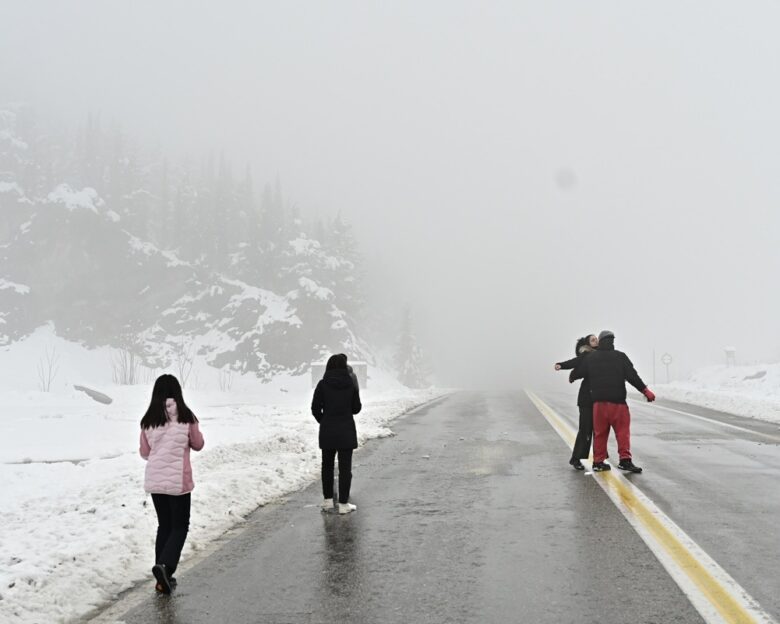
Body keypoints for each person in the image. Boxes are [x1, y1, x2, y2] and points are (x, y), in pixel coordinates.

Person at [139, 374, 205, 594]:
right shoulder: (186, 417)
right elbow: (198, 444)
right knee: (180, 526)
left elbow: (145, 452)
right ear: (177, 393)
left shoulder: (148, 419)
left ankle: (162, 576)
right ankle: (166, 567)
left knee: (164, 526)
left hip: (155, 481)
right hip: (178, 481)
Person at [571, 330, 655, 473]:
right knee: (622, 433)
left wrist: (572, 375)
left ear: (600, 341)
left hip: (599, 405)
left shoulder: (591, 358)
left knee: (600, 434)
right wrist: (645, 391)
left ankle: (598, 462)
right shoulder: (620, 357)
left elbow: (578, 372)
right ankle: (625, 461)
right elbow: (632, 376)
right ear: (612, 341)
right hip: (618, 403)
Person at [311, 354, 362, 514]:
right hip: (346, 430)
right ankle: (343, 504)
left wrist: (324, 421)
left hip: (328, 431)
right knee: (345, 468)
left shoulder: (322, 384)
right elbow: (356, 408)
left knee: (327, 466)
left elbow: (314, 408)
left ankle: (327, 501)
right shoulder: (350, 384)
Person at [554, 334, 598, 470]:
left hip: (598, 399)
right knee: (585, 430)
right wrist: (561, 365)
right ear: (587, 344)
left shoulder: (602, 354)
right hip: (586, 399)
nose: (596, 340)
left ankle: (599, 460)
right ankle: (576, 458)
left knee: (598, 431)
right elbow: (573, 362)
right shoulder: (585, 356)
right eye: (593, 339)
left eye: (596, 338)